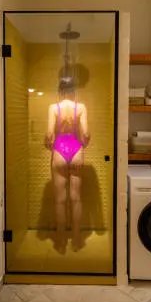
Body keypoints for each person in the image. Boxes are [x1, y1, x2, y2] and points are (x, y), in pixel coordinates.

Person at [45, 77, 90, 253]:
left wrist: (51, 147)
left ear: (60, 91)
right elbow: (86, 133)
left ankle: (61, 241)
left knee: (60, 201)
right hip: (76, 149)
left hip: (59, 149)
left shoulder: (53, 108)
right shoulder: (81, 107)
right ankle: (77, 240)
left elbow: (49, 134)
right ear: (74, 91)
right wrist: (82, 145)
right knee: (76, 198)